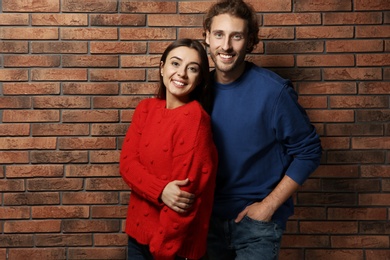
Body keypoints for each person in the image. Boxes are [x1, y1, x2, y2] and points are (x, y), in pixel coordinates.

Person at [201, 0, 323, 259]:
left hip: (256, 224)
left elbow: (309, 151)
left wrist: (267, 207)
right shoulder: (197, 91)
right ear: (207, 38)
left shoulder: (273, 92)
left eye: (237, 36)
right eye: (219, 35)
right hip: (205, 223)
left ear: (250, 41)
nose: (226, 46)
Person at [119, 38, 218, 260]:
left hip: (171, 248)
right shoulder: (145, 109)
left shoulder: (195, 119)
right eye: (175, 63)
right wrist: (161, 190)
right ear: (162, 67)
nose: (181, 73)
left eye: (192, 69)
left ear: (200, 78)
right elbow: (127, 166)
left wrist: (161, 250)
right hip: (137, 238)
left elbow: (184, 201)